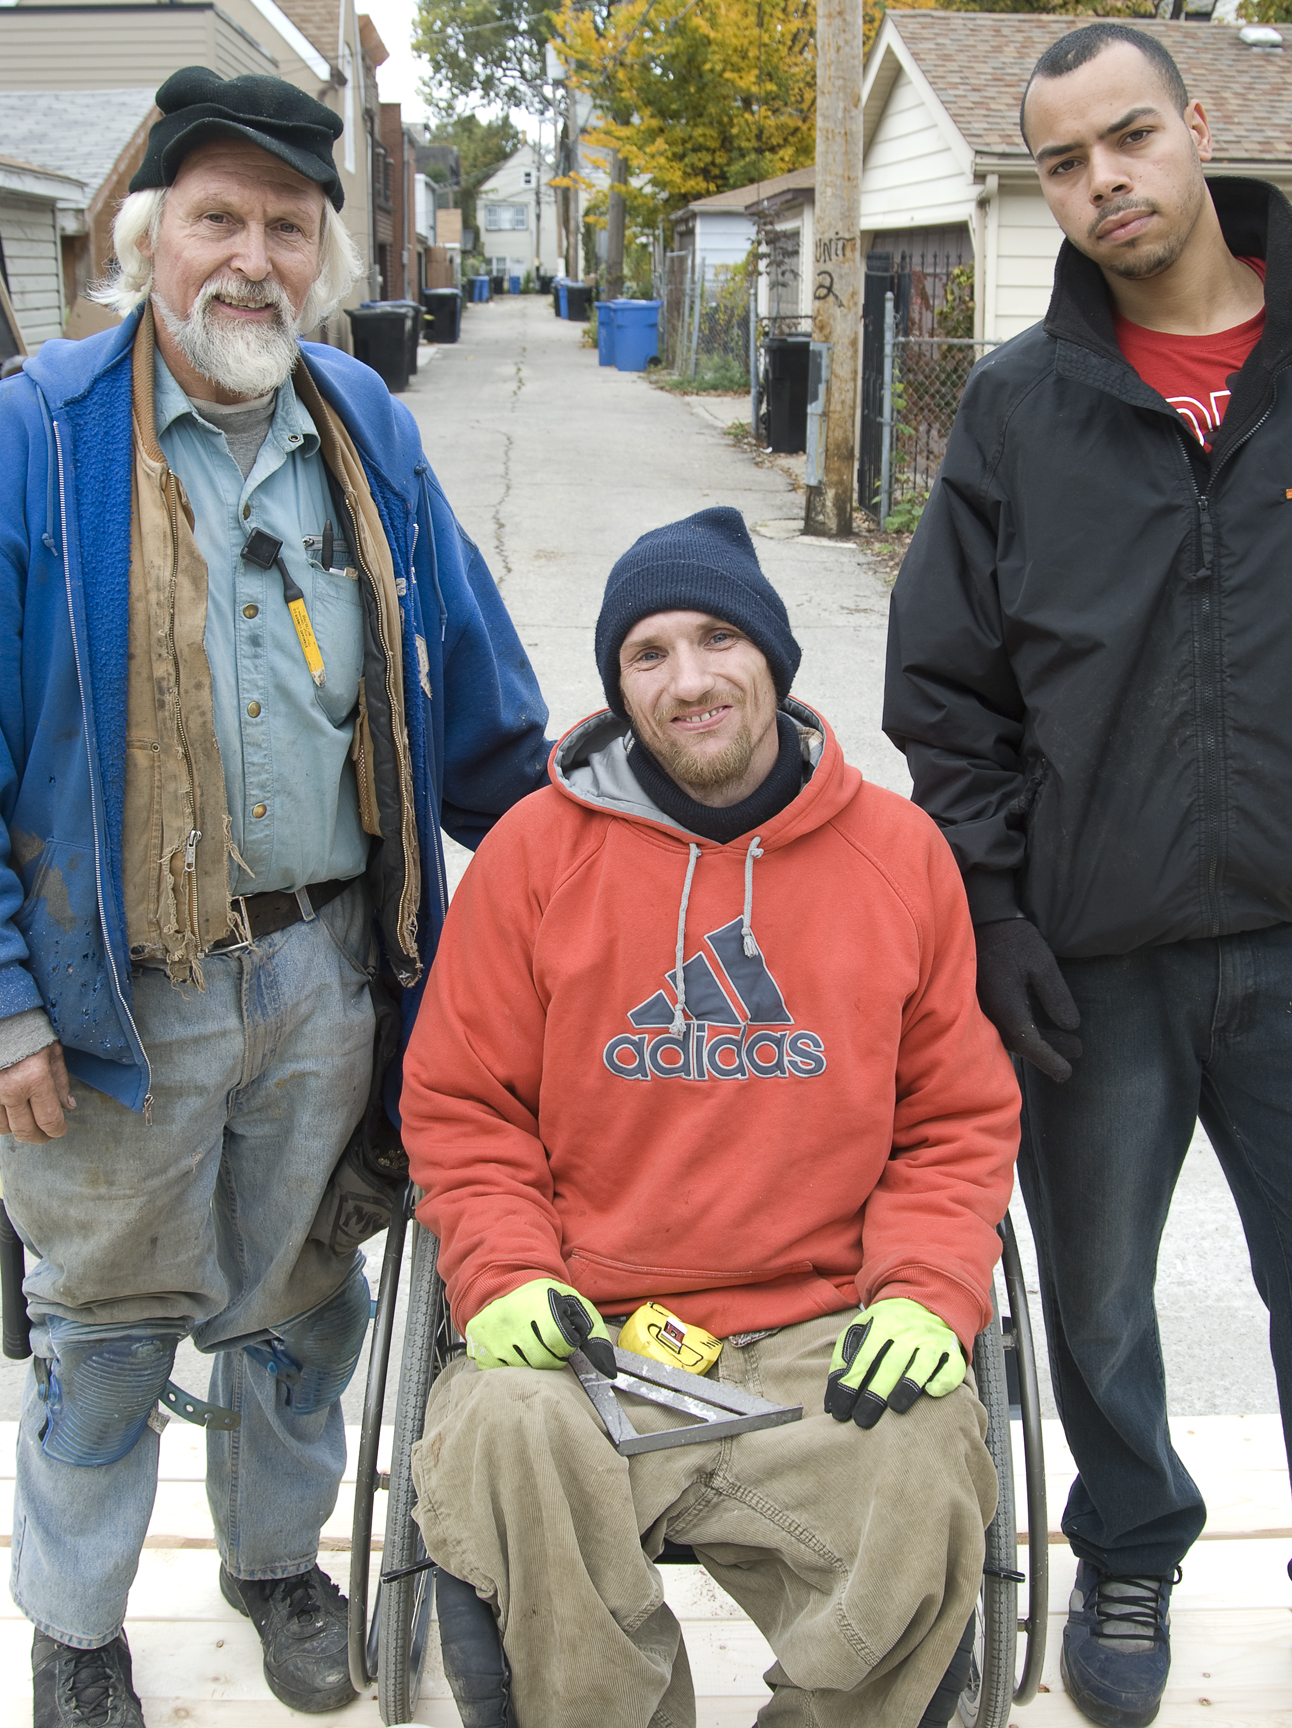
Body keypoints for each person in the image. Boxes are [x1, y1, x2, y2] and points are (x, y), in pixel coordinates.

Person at [0, 66, 550, 1728]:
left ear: (320, 254)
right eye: (219, 220)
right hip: (119, 991)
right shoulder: (38, 439)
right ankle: (79, 1622)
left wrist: (566, 881)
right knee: (104, 1332)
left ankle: (269, 1561)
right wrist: (7, 991)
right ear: (143, 237)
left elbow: (477, 706)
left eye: (286, 228)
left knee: (312, 1296)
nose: (252, 260)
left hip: (331, 968)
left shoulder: (360, 427)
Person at [399, 507, 1020, 1728]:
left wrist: (925, 1286)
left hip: (818, 1323)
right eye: (647, 655)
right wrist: (503, 1268)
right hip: (592, 1334)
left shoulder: (898, 855)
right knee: (502, 1428)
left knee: (926, 1449)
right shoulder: (530, 856)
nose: (688, 681)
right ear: (618, 688)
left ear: (772, 660)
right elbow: (462, 1105)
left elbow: (952, 1118)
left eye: (716, 639)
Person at [883, 23, 1292, 1728]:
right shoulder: (1016, 407)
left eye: (1127, 139)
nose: (1100, 182)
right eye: (1061, 161)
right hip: (1094, 955)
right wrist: (988, 906)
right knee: (1101, 1297)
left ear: (1201, 130)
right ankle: (1129, 1539)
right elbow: (946, 693)